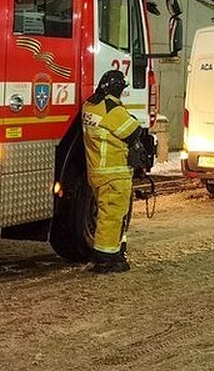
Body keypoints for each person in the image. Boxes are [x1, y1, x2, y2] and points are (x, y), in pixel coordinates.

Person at [82, 69, 145, 273]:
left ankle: (109, 254)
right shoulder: (112, 110)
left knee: (106, 215)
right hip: (115, 173)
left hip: (98, 172)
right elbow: (133, 130)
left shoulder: (90, 105)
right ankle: (106, 259)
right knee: (113, 217)